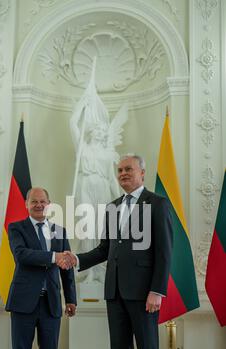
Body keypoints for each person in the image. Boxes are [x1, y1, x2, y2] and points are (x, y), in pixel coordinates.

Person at [63, 154, 173, 349]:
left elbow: (164, 252)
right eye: (120, 170)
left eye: (129, 169)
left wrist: (157, 291)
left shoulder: (156, 204)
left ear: (142, 173)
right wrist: (77, 258)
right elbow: (104, 249)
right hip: (114, 292)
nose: (123, 173)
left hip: (144, 295)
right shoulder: (112, 207)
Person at [6, 187, 76, 349]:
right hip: (23, 304)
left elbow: (66, 267)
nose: (38, 205)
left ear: (50, 204)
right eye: (34, 201)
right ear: (26, 204)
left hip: (51, 305)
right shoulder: (16, 228)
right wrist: (52, 257)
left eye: (42, 201)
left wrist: (71, 298)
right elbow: (22, 255)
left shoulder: (60, 231)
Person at [70, 61, 127, 283]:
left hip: (103, 187)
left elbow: (113, 179)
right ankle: (87, 269)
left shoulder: (107, 155)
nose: (102, 132)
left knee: (103, 228)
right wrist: (82, 105)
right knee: (86, 226)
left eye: (105, 130)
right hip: (86, 184)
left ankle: (101, 268)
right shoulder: (82, 148)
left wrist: (120, 202)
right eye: (100, 129)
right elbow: (72, 124)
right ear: (93, 130)